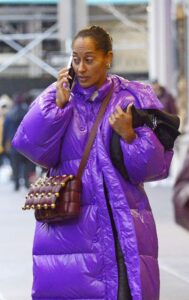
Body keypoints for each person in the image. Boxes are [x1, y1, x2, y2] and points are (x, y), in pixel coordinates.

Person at [12, 26, 174, 300]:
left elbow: (153, 168)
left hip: (120, 225)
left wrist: (130, 136)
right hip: (70, 224)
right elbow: (32, 147)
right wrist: (57, 108)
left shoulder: (132, 98)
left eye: (89, 59)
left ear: (107, 58)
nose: (81, 67)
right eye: (75, 59)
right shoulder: (61, 97)